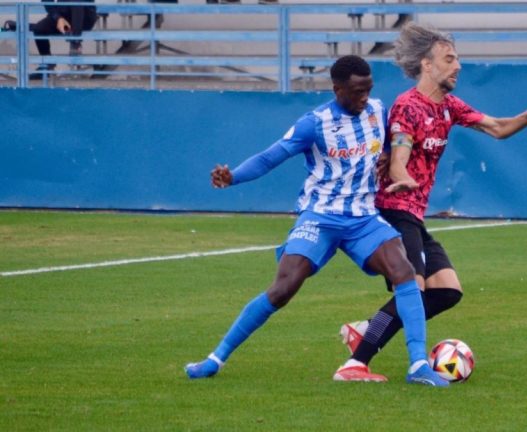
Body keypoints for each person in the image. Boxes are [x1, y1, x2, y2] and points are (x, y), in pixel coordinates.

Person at [184, 55, 450, 387]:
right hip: (321, 217)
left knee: (404, 270)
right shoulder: (316, 122)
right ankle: (214, 359)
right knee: (284, 288)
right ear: (337, 89)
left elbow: (394, 145)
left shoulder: (377, 111)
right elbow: (271, 156)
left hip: (363, 218)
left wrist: (387, 157)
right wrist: (232, 176)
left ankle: (418, 365)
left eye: (368, 89)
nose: (364, 97)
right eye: (357, 91)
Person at [332, 22, 527, 382]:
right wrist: (401, 173)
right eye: (449, 59)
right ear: (427, 64)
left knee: (447, 291)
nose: (457, 66)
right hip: (393, 211)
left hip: (414, 215)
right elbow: (398, 158)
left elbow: (498, 128)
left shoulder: (449, 105)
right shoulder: (408, 106)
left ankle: (367, 330)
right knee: (414, 288)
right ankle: (355, 364)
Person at [4, 0, 99, 79]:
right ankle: (47, 65)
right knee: (39, 29)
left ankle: (76, 42)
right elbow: (47, 2)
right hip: (63, 15)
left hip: (84, 15)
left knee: (76, 2)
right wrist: (58, 18)